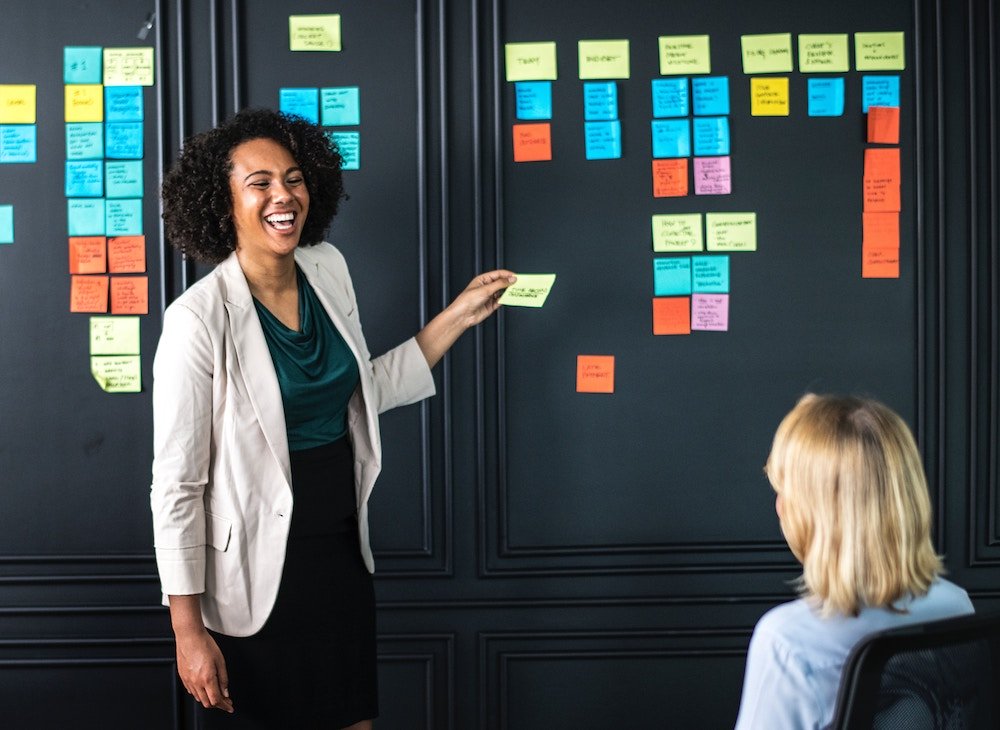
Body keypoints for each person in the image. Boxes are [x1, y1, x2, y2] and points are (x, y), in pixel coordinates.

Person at [150, 108, 515, 728]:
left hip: (339, 552)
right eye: (258, 183)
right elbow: (177, 485)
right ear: (223, 202)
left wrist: (459, 315)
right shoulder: (197, 320)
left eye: (293, 178)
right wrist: (187, 631)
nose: (282, 196)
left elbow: (361, 391)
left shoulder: (326, 267)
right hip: (252, 577)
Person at [733, 394, 973, 730]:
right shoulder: (956, 605)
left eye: (784, 491)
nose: (779, 506)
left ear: (813, 512)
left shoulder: (787, 642)